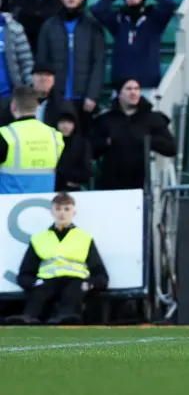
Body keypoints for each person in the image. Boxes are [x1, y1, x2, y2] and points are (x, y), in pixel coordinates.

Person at [6, 192, 109, 325]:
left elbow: (99, 271)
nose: (62, 213)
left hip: (75, 279)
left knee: (73, 292)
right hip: (49, 280)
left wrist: (90, 283)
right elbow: (26, 272)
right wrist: (34, 283)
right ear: (52, 212)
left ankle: (66, 317)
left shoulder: (84, 238)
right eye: (58, 209)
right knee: (40, 293)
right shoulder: (39, 239)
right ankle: (28, 317)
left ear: (74, 212)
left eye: (67, 209)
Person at [36, 0, 105, 136]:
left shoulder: (93, 26)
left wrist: (92, 95)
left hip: (83, 98)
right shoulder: (49, 26)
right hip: (56, 97)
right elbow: (42, 62)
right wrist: (45, 94)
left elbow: (98, 61)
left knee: (81, 144)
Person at [90, 0, 178, 96]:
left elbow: (170, 4)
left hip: (148, 83)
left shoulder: (154, 19)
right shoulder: (118, 19)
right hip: (122, 84)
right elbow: (97, 9)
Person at [90, 77, 176, 190]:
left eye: (136, 89)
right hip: (111, 184)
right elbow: (90, 149)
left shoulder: (153, 118)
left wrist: (148, 140)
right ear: (119, 94)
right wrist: (107, 142)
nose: (133, 92)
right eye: (129, 89)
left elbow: (171, 148)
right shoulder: (106, 119)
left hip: (143, 185)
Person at [0, 85, 64, 194]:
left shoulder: (5, 134)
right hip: (44, 205)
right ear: (37, 106)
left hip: (9, 206)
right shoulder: (55, 136)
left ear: (13, 107)